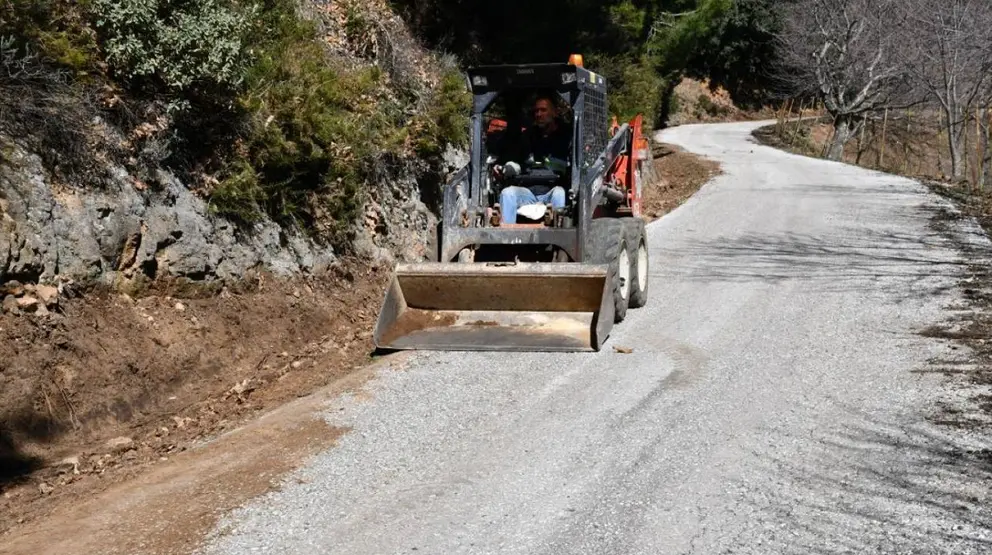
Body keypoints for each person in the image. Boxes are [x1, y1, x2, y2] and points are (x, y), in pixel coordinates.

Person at [498, 94, 572, 224]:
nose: (538, 114)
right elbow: (514, 159)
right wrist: (508, 166)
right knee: (507, 193)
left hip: (552, 189)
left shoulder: (567, 136)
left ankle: (557, 235)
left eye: (543, 110)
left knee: (559, 193)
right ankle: (506, 240)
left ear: (555, 112)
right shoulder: (527, 136)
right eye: (536, 111)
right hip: (528, 191)